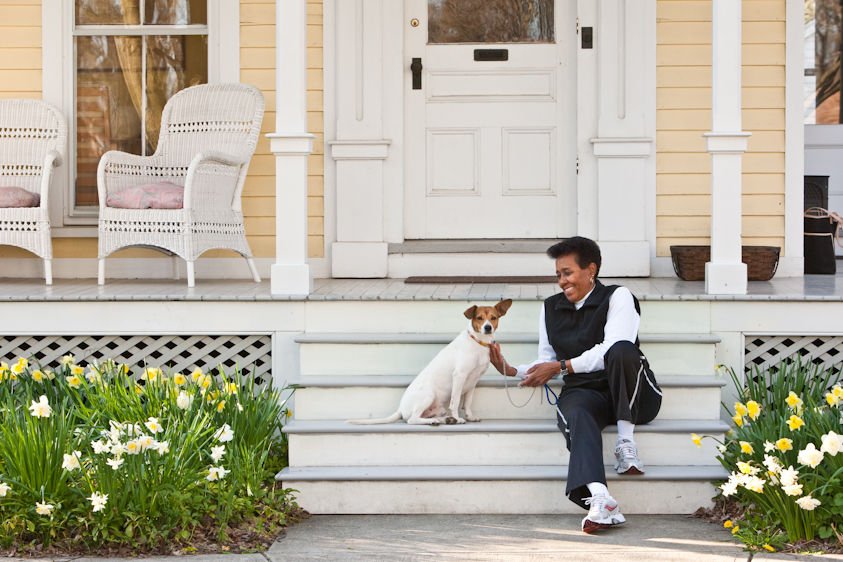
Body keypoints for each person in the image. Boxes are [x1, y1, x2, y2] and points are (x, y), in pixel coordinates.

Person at [490, 236, 662, 534]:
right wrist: (510, 369)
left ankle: (625, 442)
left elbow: (610, 350)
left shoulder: (618, 296)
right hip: (585, 391)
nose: (561, 281)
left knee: (622, 349)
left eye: (567, 273)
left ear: (590, 270)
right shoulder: (550, 308)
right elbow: (546, 360)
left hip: (632, 392)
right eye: (558, 275)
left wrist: (561, 366)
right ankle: (600, 497)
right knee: (575, 412)